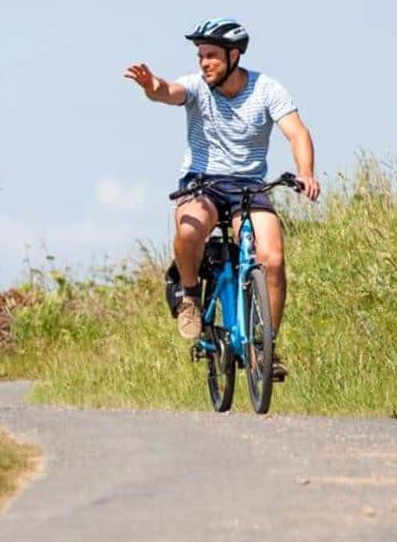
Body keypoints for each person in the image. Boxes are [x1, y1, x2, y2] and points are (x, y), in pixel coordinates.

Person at [124, 19, 320, 379]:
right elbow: (169, 91)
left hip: (249, 186)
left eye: (211, 56)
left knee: (272, 259)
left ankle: (265, 346)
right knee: (188, 230)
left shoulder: (266, 89)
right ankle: (189, 297)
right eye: (200, 56)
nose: (204, 63)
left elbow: (297, 133)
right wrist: (151, 86)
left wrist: (305, 171)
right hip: (203, 183)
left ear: (233, 56)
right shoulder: (197, 87)